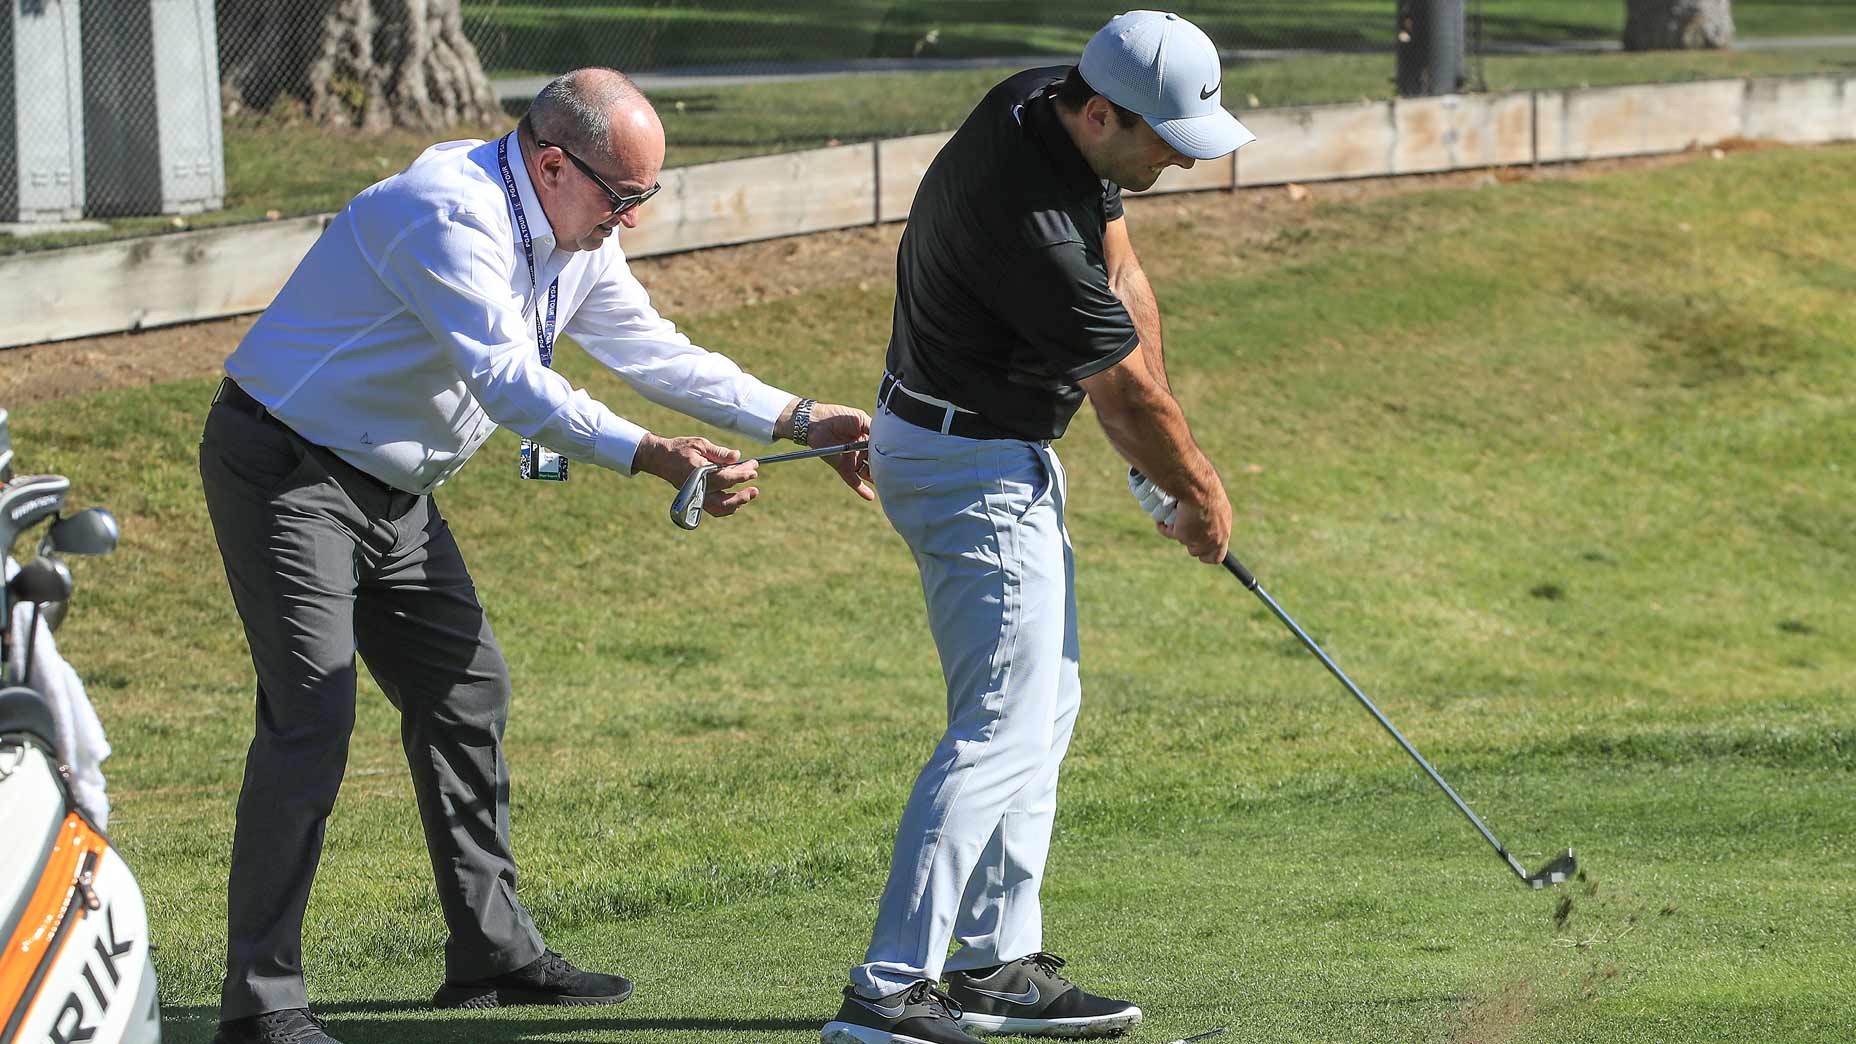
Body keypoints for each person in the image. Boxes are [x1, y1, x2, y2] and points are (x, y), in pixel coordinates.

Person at [199, 68, 872, 1044]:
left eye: (645, 198)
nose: (631, 221)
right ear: (553, 165)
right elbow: (511, 386)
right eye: (624, 196)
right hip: (286, 470)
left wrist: (796, 417)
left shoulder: (572, 225)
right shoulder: (445, 210)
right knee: (311, 719)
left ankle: (492, 954)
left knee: (467, 693)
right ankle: (260, 1010)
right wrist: (649, 455)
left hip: (395, 491)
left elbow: (648, 347)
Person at [822, 13, 1254, 1044]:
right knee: (998, 728)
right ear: (1101, 113)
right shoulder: (1032, 222)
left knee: (1040, 708)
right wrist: (1197, 495)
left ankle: (992, 964)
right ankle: (886, 990)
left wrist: (1157, 452)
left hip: (982, 444)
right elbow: (1122, 401)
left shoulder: (1041, 103)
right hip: (966, 460)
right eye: (1163, 139)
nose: (1173, 161)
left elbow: (1126, 277)